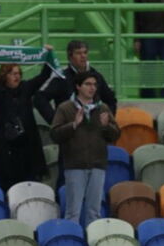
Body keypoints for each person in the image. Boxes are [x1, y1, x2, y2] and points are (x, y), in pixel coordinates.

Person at [0, 50, 52, 189]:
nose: (17, 76)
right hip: (6, 146)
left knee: (29, 181)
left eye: (19, 73)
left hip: (27, 144)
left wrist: (49, 55)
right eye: (13, 73)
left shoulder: (26, 88)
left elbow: (44, 76)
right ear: (5, 75)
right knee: (8, 182)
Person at [50, 72, 120, 225]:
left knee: (94, 211)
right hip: (74, 165)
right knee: (73, 211)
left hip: (97, 165)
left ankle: (93, 245)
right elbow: (54, 134)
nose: (92, 88)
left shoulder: (103, 108)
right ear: (78, 87)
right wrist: (73, 124)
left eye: (94, 85)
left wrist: (106, 126)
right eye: (88, 84)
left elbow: (115, 136)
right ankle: (70, 245)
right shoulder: (65, 108)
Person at [35, 39, 118, 124]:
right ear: (70, 56)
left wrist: (107, 120)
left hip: (93, 130)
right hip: (69, 130)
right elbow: (40, 98)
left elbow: (110, 99)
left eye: (85, 52)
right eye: (78, 53)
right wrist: (55, 121)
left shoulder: (96, 76)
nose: (83, 56)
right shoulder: (61, 77)